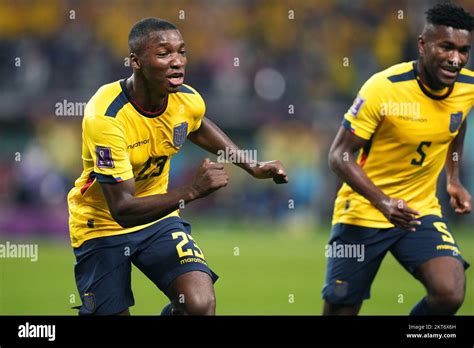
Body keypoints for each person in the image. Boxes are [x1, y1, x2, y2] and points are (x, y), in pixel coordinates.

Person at [67, 17, 288, 316]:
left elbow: (196, 125)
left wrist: (252, 165)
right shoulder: (106, 118)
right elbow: (123, 209)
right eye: (163, 53)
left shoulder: (186, 100)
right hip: (102, 225)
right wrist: (193, 191)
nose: (177, 61)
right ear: (135, 61)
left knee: (199, 305)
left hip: (158, 219)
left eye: (181, 52)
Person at [323, 2, 474, 315]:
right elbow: (338, 155)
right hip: (363, 211)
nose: (455, 58)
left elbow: (457, 122)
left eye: (463, 50)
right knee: (341, 310)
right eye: (446, 47)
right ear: (423, 44)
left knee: (450, 291)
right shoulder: (384, 88)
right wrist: (384, 202)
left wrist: (454, 179)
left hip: (419, 211)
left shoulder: (467, 88)